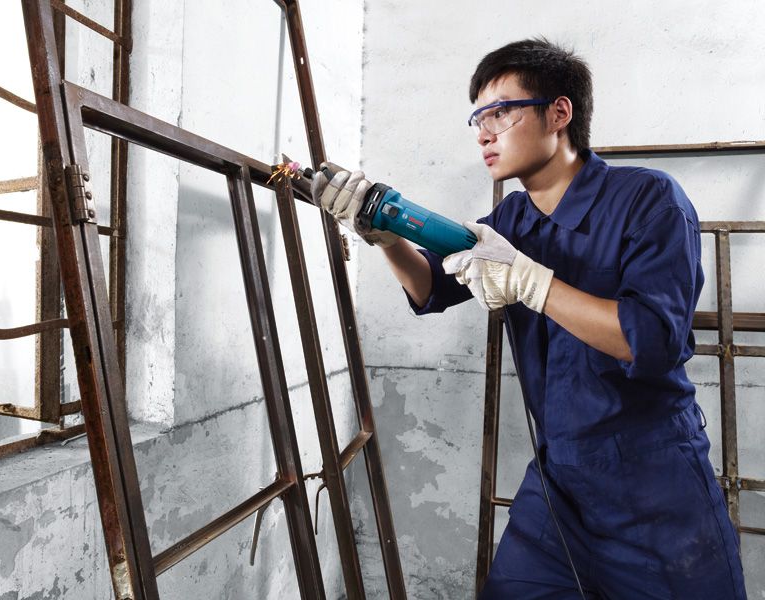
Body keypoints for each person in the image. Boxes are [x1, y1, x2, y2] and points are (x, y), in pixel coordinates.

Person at [311, 39, 746, 599]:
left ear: (559, 113)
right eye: (478, 117)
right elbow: (432, 287)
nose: (484, 132)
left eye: (501, 111)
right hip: (559, 484)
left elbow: (651, 341)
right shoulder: (512, 219)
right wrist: (387, 238)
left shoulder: (649, 200)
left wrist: (531, 283)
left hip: (653, 484)